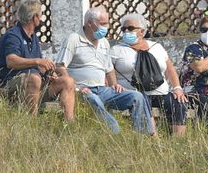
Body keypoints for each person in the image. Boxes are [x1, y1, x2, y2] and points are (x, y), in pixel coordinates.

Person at [56, 7, 154, 135]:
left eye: (107, 23)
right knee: (94, 100)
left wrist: (114, 85)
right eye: (102, 24)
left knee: (137, 96)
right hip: (82, 90)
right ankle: (115, 133)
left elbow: (109, 70)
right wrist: (75, 88)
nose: (106, 27)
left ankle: (143, 135)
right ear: (90, 23)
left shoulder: (104, 43)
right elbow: (60, 66)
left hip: (103, 90)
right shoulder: (74, 39)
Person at [0, 0, 75, 121]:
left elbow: (39, 67)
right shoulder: (13, 35)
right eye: (40, 15)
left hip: (34, 85)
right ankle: (32, 123)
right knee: (34, 78)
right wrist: (37, 61)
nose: (41, 19)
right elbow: (11, 61)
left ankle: (69, 124)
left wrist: (50, 74)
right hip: (10, 86)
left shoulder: (33, 38)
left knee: (67, 81)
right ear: (34, 17)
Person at [111, 14, 188, 136]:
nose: (126, 31)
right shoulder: (116, 50)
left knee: (178, 102)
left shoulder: (156, 47)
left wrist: (177, 88)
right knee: (142, 99)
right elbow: (107, 71)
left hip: (159, 92)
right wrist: (113, 85)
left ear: (141, 31)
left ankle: (179, 140)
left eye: (130, 28)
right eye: (123, 29)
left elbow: (169, 69)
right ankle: (153, 139)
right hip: (133, 92)